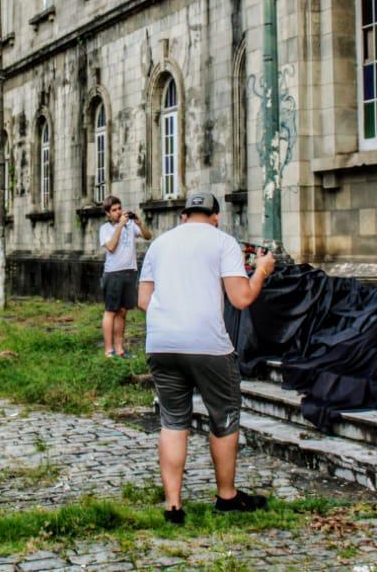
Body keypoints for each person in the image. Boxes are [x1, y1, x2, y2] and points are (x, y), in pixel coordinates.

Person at [138, 190, 272, 524]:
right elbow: (241, 298)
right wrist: (262, 271)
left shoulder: (159, 244)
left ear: (183, 216)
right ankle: (226, 495)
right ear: (215, 217)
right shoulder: (222, 241)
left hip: (162, 342)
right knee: (224, 417)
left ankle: (173, 506)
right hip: (208, 344)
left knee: (172, 421)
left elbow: (143, 300)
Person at [98, 196, 151, 358]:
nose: (118, 212)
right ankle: (109, 350)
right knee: (110, 311)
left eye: (119, 208)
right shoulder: (105, 228)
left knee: (122, 312)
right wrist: (120, 226)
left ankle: (120, 349)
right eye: (114, 210)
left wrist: (140, 223)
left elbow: (148, 236)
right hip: (113, 273)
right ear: (108, 213)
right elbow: (112, 247)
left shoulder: (130, 226)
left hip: (130, 271)